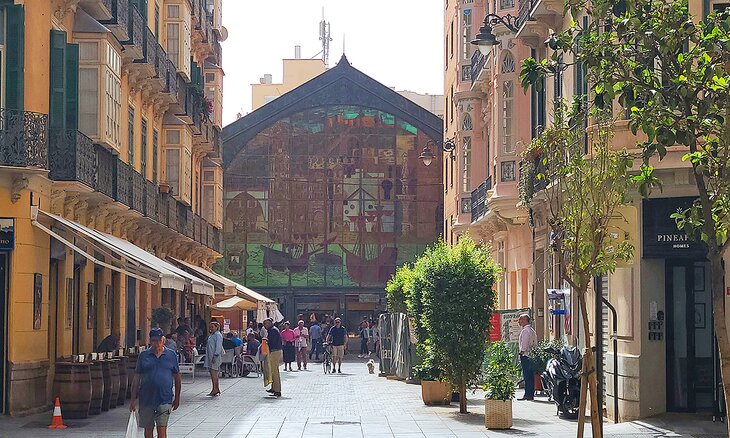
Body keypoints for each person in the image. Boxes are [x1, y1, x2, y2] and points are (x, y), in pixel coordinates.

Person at [130, 328, 180, 438]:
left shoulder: (171, 355)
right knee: (148, 430)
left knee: (162, 430)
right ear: (150, 341)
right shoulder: (143, 355)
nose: (156, 343)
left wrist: (177, 398)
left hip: (164, 398)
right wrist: (133, 399)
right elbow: (137, 377)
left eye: (158, 340)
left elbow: (177, 377)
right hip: (146, 399)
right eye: (153, 340)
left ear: (163, 340)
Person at [518, 313, 538, 401]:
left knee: (527, 376)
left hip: (526, 355)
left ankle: (528, 394)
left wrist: (521, 352)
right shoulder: (531, 330)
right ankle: (530, 394)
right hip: (531, 355)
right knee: (530, 376)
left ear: (525, 320)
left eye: (520, 319)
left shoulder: (525, 331)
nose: (519, 321)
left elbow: (524, 344)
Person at [263, 318, 282, 397]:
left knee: (274, 370)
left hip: (274, 351)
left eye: (266, 324)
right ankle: (274, 387)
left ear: (270, 323)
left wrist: (266, 341)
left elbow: (272, 342)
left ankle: (277, 390)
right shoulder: (272, 330)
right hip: (275, 351)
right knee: (272, 370)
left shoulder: (272, 331)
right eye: (264, 324)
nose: (265, 325)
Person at [204, 321, 223, 397]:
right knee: (212, 373)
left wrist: (215, 355)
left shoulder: (218, 335)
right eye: (210, 327)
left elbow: (218, 346)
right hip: (210, 356)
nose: (211, 328)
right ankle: (215, 388)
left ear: (216, 327)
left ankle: (215, 388)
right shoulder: (212, 335)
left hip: (214, 356)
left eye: (212, 327)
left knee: (214, 372)